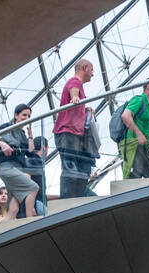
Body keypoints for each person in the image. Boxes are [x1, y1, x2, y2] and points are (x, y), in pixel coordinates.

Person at [0, 104, 41, 219]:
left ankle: (6, 227)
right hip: (8, 167)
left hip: (18, 169)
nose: (27, 118)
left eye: (29, 115)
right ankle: (29, 219)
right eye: (24, 115)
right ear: (16, 115)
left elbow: (30, 150)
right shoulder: (7, 127)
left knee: (14, 205)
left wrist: (30, 133)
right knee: (33, 188)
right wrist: (3, 144)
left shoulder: (22, 133)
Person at [53, 60, 95, 198]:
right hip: (67, 132)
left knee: (78, 168)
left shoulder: (78, 85)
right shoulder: (75, 82)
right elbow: (73, 90)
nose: (93, 74)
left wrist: (85, 109)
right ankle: (68, 200)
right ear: (84, 68)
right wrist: (75, 97)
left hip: (73, 134)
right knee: (71, 168)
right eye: (91, 70)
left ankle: (74, 198)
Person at [118, 81, 149, 179]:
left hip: (144, 147)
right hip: (133, 144)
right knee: (135, 176)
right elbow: (125, 116)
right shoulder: (139, 100)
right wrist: (138, 134)